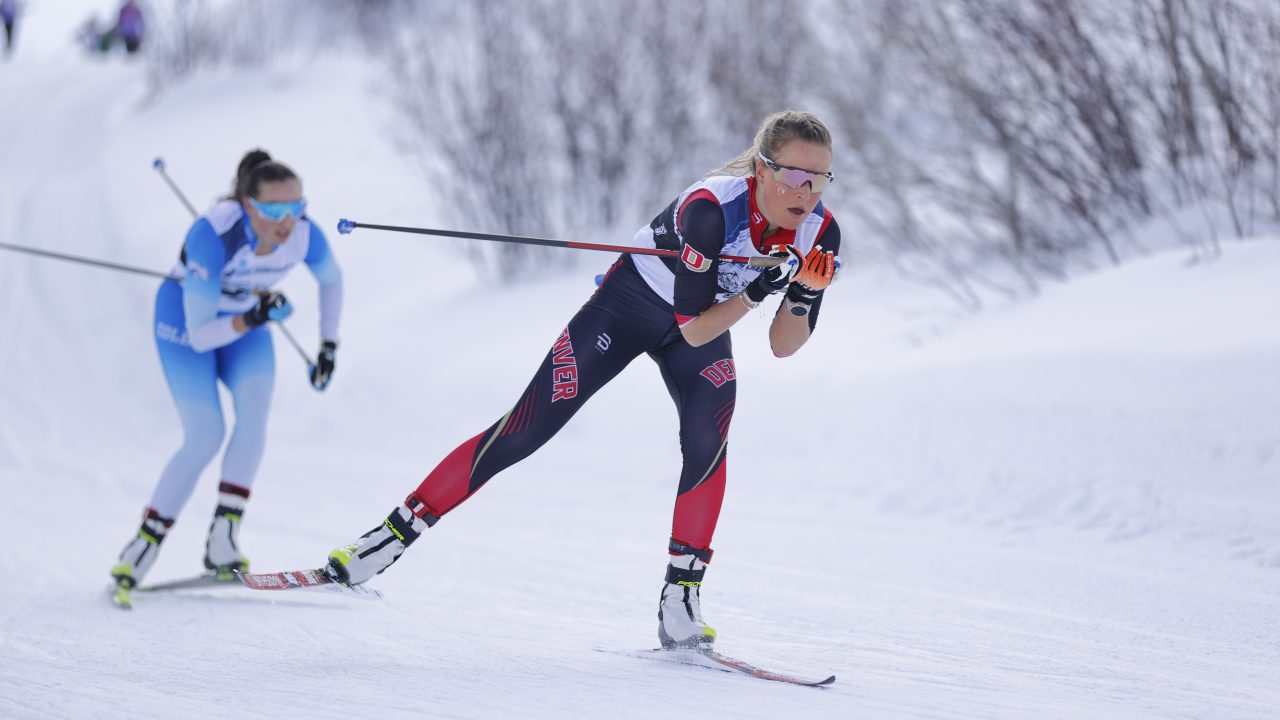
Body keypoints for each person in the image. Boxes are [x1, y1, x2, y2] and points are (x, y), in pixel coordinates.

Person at [322, 110, 841, 649]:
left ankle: (680, 601)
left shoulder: (821, 230)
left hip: (709, 319)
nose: (807, 193)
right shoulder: (712, 209)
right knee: (524, 430)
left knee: (709, 439)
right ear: (761, 170)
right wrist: (757, 291)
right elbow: (692, 331)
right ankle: (384, 540)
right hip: (630, 306)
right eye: (795, 176)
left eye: (821, 178)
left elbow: (784, 344)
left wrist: (801, 293)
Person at [111, 150, 344, 603]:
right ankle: (142, 545)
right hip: (186, 324)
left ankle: (224, 537)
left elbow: (332, 280)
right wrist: (254, 316)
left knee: (255, 409)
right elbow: (201, 337)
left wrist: (328, 344)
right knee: (205, 434)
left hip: (243, 326)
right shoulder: (211, 236)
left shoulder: (303, 235)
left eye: (298, 208)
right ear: (247, 205)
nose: (288, 221)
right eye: (276, 211)